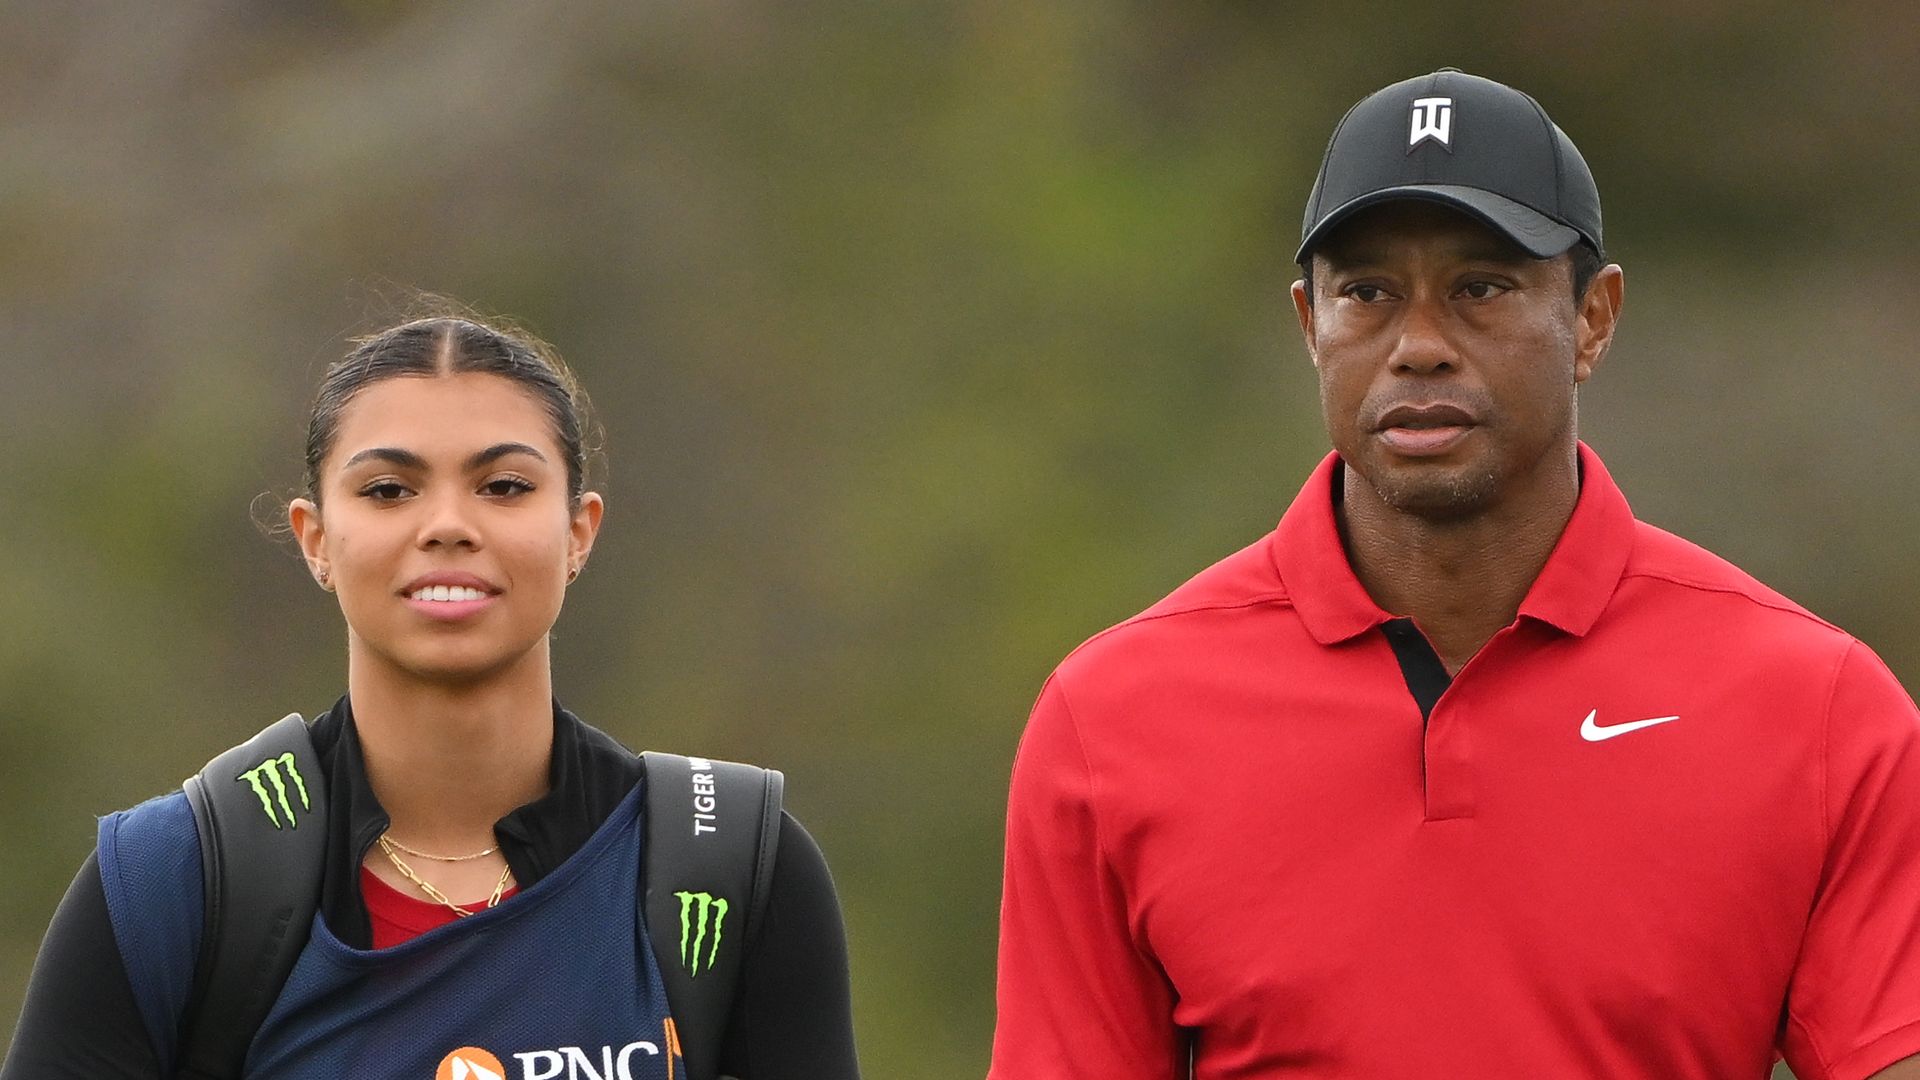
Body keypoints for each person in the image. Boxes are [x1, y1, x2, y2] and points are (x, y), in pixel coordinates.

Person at [989, 69, 1920, 1080]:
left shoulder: (1818, 711)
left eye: (1481, 288)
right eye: (1368, 293)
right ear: (1310, 323)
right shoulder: (1112, 719)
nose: (1419, 347)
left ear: (1594, 319)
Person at [3, 312, 861, 1079]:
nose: (448, 523)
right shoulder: (174, 881)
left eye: (504, 486)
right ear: (316, 541)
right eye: (388, 490)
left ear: (578, 532)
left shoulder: (731, 868)